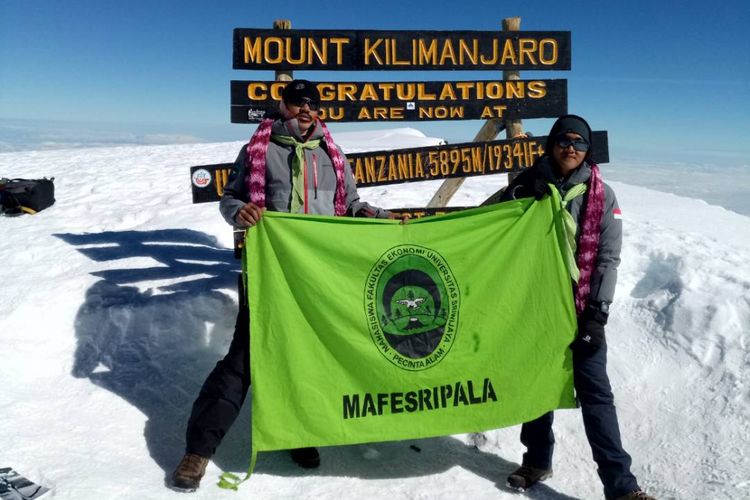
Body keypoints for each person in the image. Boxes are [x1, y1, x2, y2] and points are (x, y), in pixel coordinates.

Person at [170, 79, 399, 492]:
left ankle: (299, 434)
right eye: (298, 102)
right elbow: (230, 197)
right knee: (245, 359)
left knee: (309, 358)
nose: (306, 109)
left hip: (318, 276)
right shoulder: (259, 150)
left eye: (313, 103)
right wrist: (240, 212)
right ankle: (198, 450)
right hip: (268, 274)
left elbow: (350, 204)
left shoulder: (332, 153)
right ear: (283, 105)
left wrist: (380, 216)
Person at [493, 115, 655, 500]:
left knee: (596, 395)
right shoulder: (526, 185)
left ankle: (622, 488)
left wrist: (597, 312)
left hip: (582, 308)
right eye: (564, 140)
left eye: (580, 143)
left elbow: (607, 257)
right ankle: (536, 460)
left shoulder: (602, 194)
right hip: (535, 305)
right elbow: (487, 224)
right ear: (551, 144)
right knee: (537, 387)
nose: (571, 148)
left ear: (588, 150)